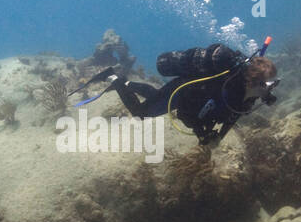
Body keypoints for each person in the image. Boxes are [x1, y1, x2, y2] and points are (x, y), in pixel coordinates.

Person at [71, 38, 279, 146]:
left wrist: (215, 138)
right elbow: (185, 113)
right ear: (255, 82)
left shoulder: (247, 97)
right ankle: (114, 79)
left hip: (188, 96)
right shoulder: (226, 88)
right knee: (142, 112)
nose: (271, 91)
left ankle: (127, 83)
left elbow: (232, 117)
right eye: (269, 85)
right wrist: (202, 132)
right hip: (182, 92)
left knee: (154, 97)